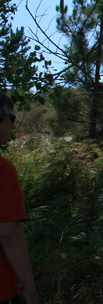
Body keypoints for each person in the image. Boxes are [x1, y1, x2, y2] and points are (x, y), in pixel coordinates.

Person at [0, 93, 38, 304]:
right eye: (11, 119)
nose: (13, 127)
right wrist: (30, 288)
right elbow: (8, 234)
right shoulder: (3, 169)